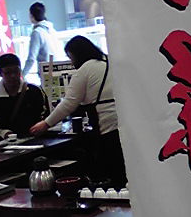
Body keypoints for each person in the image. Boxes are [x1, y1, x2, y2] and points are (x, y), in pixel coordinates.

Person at [29, 36, 127, 187]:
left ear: (78, 54)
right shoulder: (109, 61)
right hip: (125, 122)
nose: (71, 62)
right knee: (126, 170)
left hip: (107, 127)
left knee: (115, 172)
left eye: (70, 57)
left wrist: (46, 124)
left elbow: (69, 103)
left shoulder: (85, 70)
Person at [0, 53, 49, 140]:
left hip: (39, 137)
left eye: (16, 71)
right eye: (8, 73)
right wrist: (6, 133)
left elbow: (46, 114)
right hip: (12, 142)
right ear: (0, 73)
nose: (13, 76)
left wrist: (40, 126)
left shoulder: (35, 91)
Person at [22, 2, 60, 78]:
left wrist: (22, 75)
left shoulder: (37, 32)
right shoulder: (52, 30)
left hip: (47, 72)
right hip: (58, 70)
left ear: (31, 16)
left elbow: (31, 58)